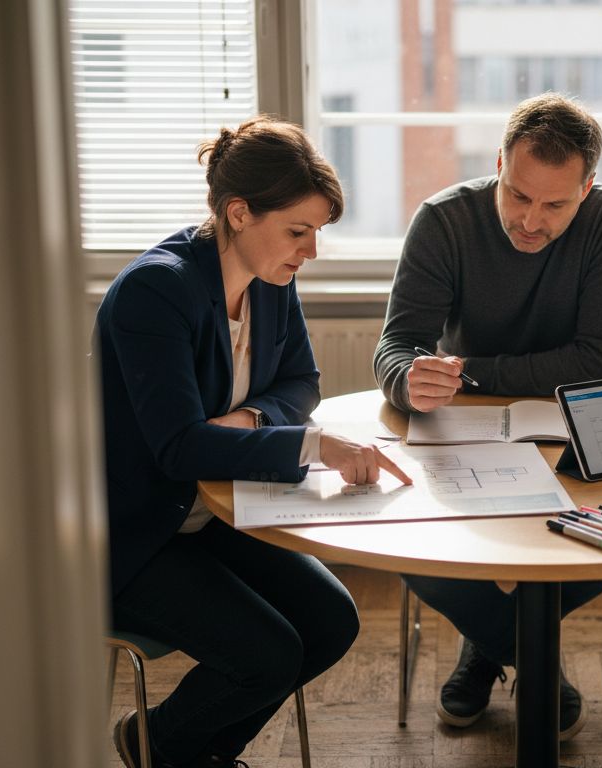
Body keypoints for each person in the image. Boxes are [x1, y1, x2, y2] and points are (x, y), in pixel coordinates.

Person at [97, 116, 410, 768]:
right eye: (299, 231)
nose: (311, 251)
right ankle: (169, 749)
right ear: (238, 212)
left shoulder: (271, 280)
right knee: (267, 654)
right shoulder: (156, 292)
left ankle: (172, 745)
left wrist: (249, 423)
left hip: (213, 512)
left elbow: (303, 381)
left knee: (332, 622)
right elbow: (179, 451)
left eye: (317, 232)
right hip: (136, 534)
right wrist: (311, 446)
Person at [371, 93, 602, 739]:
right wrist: (410, 379)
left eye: (555, 205)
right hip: (465, 429)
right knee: (404, 539)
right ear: (499, 164)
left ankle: (486, 645)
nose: (530, 219)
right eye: (518, 195)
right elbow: (396, 344)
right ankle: (531, 661)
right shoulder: (444, 218)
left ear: (588, 188)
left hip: (569, 426)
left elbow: (598, 362)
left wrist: (467, 368)